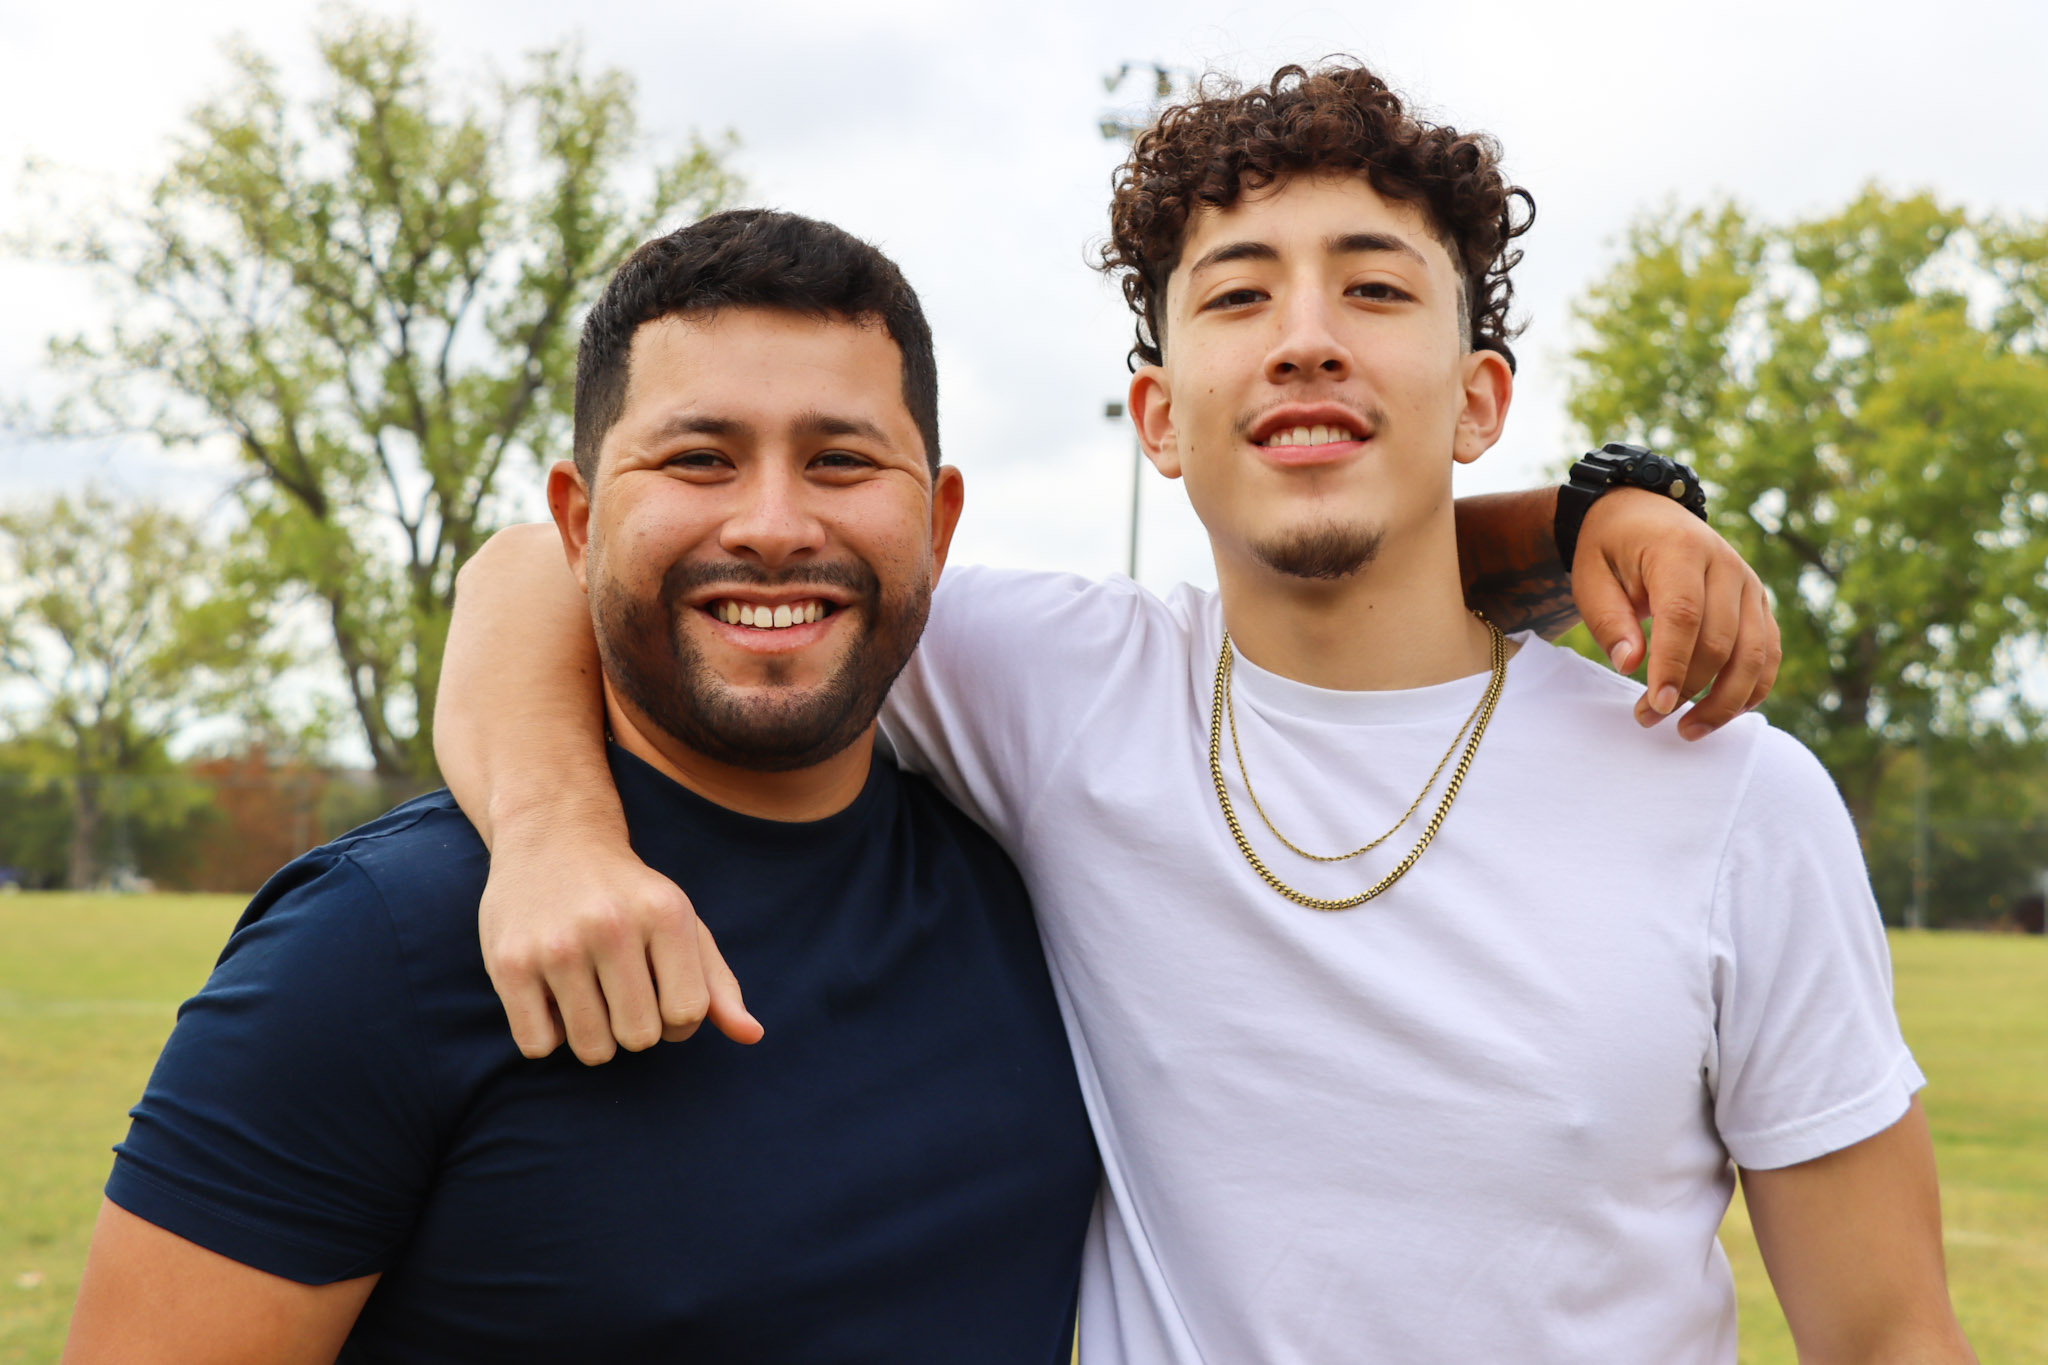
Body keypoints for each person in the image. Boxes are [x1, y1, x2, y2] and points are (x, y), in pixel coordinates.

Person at [439, 63, 1975, 1363]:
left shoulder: (1728, 797)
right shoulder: (1045, 686)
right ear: (1162, 418)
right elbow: (538, 565)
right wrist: (557, 835)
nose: (1307, 334)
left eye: (1377, 288)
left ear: (1482, 397)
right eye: (1239, 296)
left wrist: (1591, 523)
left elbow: (1889, 1335)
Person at [63, 210, 1103, 1363]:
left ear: (938, 520)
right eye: (699, 459)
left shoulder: (1042, 900)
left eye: (841, 461)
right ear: (576, 518)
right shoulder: (375, 946)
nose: (770, 525)